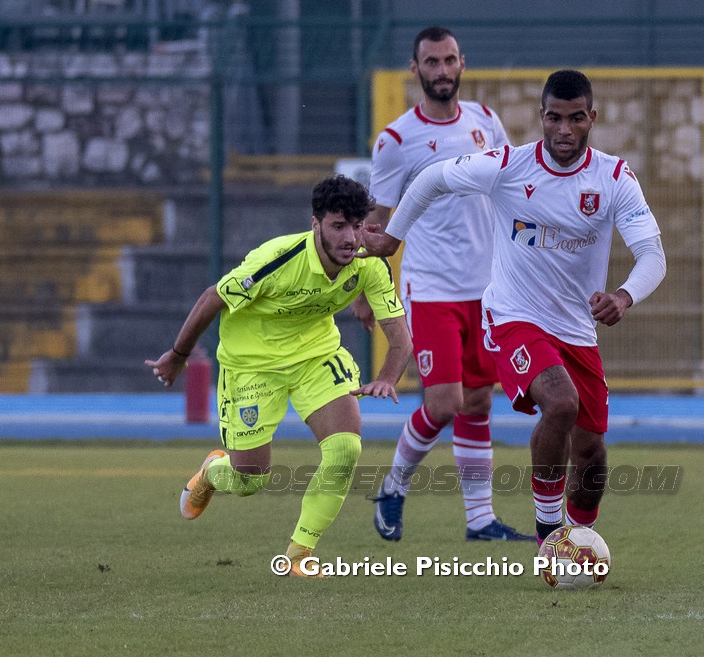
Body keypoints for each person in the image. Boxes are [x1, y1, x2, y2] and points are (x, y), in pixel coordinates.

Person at [361, 70, 667, 544]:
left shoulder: (613, 177)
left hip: (576, 329)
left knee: (592, 457)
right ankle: (549, 534)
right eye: (554, 118)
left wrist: (623, 295)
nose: (564, 129)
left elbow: (653, 255)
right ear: (541, 116)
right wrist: (394, 237)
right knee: (558, 404)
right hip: (512, 317)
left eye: (576, 118)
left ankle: (578, 538)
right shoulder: (508, 165)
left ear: (592, 118)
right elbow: (431, 179)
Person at [145, 175, 412, 576]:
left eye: (357, 226)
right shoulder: (278, 259)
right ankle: (213, 473)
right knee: (250, 480)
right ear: (315, 224)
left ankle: (299, 555)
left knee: (345, 450)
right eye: (338, 226)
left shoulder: (369, 263)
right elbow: (212, 298)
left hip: (315, 357)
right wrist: (177, 356)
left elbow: (401, 340)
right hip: (252, 364)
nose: (349, 238)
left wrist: (388, 378)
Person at [354, 26, 529, 542]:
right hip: (431, 289)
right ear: (416, 70)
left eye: (449, 60)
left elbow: (512, 186)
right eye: (431, 62)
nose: (442, 70)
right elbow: (377, 222)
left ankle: (480, 520)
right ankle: (392, 488)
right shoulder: (395, 140)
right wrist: (365, 289)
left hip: (487, 289)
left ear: (462, 63)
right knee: (444, 404)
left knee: (478, 402)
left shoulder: (485, 121)